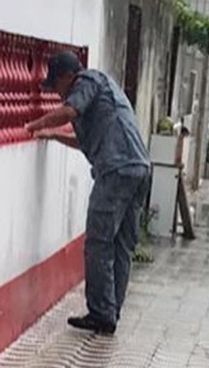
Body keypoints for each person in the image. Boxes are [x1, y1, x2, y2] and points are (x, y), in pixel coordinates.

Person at [25, 52, 150, 335]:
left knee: (99, 242)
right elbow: (85, 141)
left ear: (68, 76)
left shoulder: (88, 81)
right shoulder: (103, 94)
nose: (57, 94)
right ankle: (111, 311)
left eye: (56, 86)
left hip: (116, 171)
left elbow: (69, 111)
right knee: (121, 245)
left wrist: (36, 124)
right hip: (138, 169)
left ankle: (101, 314)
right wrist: (53, 135)